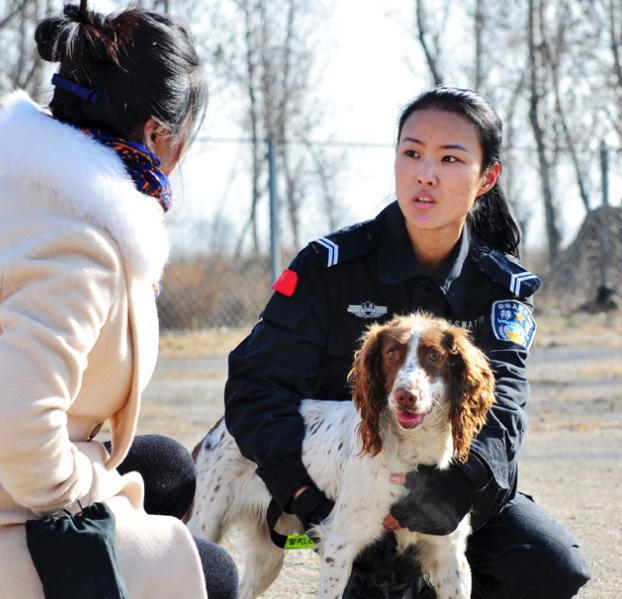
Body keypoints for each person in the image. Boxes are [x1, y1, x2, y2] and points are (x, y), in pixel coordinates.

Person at [0, 2, 237, 598]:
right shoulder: (80, 246)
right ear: (156, 134)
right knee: (212, 573)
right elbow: (17, 432)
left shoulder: (26, 191)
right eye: (185, 136)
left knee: (166, 468)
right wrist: (96, 493)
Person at [224, 87, 591, 598]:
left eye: (450, 159)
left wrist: (448, 496)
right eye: (412, 153)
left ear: (487, 177)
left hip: (448, 491)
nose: (425, 174)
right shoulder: (328, 268)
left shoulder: (498, 288)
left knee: (551, 565)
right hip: (342, 492)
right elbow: (256, 387)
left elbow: (503, 404)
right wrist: (304, 493)